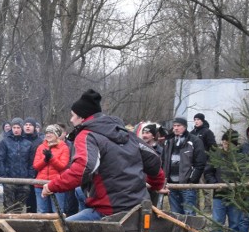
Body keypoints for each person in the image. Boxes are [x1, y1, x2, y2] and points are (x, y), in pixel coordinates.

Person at [42, 89, 165, 221]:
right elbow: (154, 161)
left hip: (109, 211)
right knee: (79, 192)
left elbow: (83, 168)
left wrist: (52, 186)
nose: (71, 120)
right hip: (138, 208)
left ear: (82, 117)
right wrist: (157, 185)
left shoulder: (87, 135)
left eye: (73, 115)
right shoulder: (127, 134)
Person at [161, 117, 206, 232]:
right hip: (172, 186)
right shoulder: (169, 141)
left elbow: (200, 162)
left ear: (185, 127)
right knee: (176, 216)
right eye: (174, 125)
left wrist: (191, 180)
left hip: (187, 185)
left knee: (189, 214)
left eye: (178, 125)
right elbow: (163, 161)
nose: (175, 128)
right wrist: (165, 180)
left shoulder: (194, 141)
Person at [204, 129, 244, 232]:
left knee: (235, 223)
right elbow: (208, 172)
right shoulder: (216, 155)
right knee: (217, 222)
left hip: (235, 195)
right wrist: (214, 183)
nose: (226, 146)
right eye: (225, 143)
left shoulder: (240, 157)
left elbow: (245, 173)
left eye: (229, 143)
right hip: (219, 195)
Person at [0, 117, 34, 213]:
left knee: (19, 208)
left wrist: (29, 177)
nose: (16, 130)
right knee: (8, 208)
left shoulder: (28, 144)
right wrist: (4, 176)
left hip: (24, 180)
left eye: (18, 127)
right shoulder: (5, 142)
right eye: (14, 127)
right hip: (9, 180)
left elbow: (31, 162)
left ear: (22, 129)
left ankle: (17, 227)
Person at [32, 124, 70, 213]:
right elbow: (36, 166)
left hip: (57, 184)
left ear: (57, 135)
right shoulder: (41, 147)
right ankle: (42, 227)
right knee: (42, 211)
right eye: (47, 133)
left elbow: (62, 166)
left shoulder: (64, 148)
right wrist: (45, 160)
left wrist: (52, 158)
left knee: (57, 212)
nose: (48, 135)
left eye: (51, 133)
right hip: (40, 184)